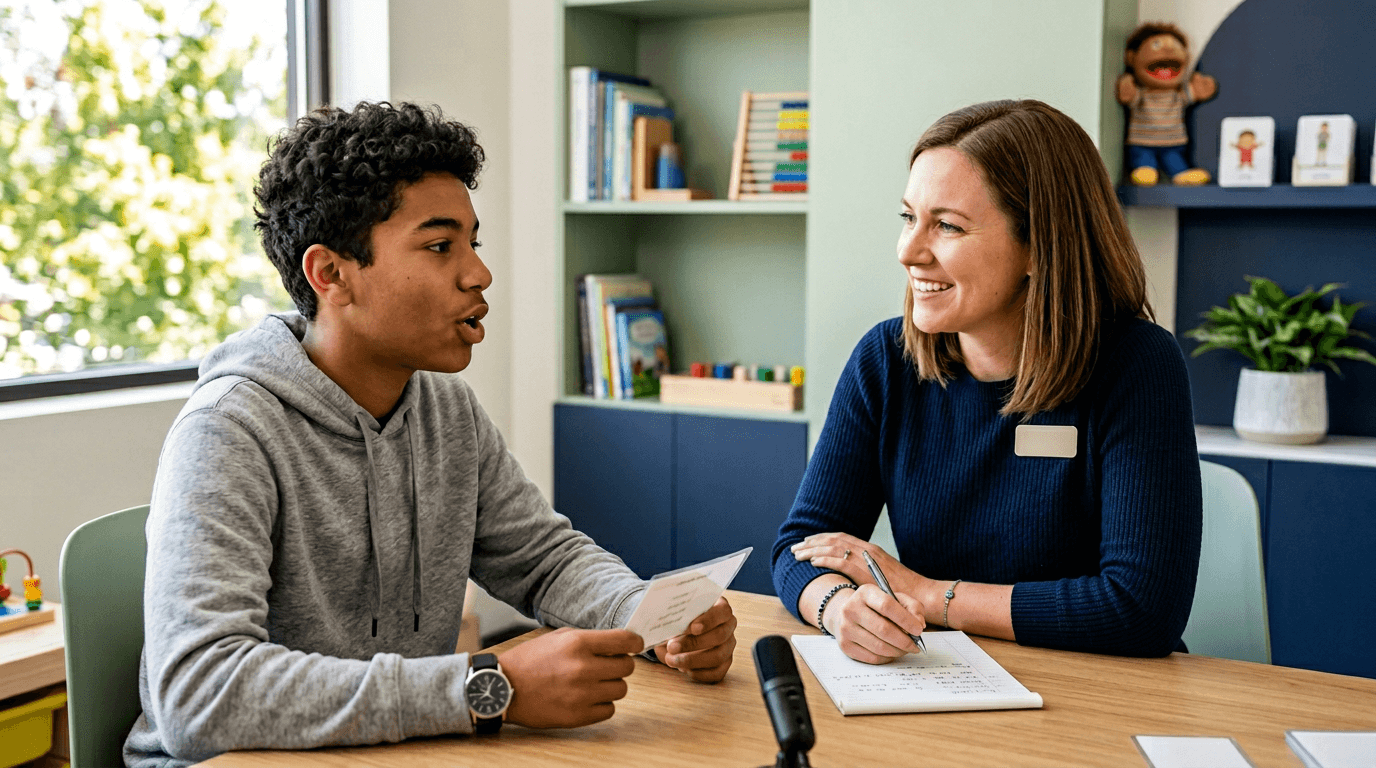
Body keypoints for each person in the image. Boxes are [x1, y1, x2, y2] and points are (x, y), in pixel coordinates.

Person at [126, 101, 737, 767]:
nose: (478, 274)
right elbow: (197, 696)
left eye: (474, 243)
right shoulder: (229, 430)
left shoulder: (446, 409)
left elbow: (544, 560)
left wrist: (647, 617)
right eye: (440, 246)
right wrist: (485, 688)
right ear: (330, 274)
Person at [772, 99, 1202, 665]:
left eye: (947, 225)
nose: (908, 251)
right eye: (909, 218)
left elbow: (1141, 611)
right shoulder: (886, 359)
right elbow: (803, 546)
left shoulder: (1137, 364)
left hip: (1106, 689)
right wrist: (836, 607)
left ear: (1039, 245)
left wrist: (930, 596)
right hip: (949, 681)